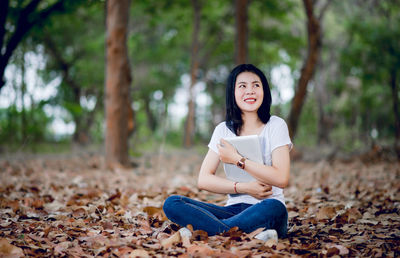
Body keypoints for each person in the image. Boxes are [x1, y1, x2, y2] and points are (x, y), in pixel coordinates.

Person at [163, 64, 292, 239]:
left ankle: (213, 232)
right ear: (233, 92)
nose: (250, 91)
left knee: (274, 208)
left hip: (266, 208)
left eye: (256, 85)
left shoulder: (276, 125)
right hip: (231, 211)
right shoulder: (223, 130)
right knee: (173, 203)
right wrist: (245, 188)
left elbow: (281, 178)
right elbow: (204, 179)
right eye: (242, 86)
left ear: (264, 91)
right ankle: (235, 233)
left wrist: (238, 160)